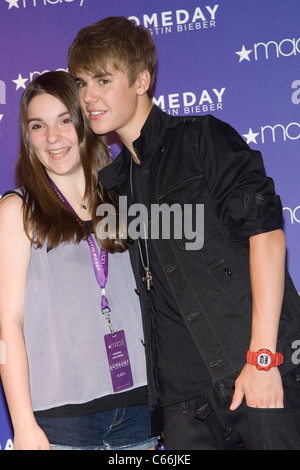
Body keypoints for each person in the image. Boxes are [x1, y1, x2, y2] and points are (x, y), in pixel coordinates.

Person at [67, 17, 300, 450]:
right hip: (181, 405)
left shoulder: (201, 139)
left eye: (102, 79)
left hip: (251, 374)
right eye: (81, 83)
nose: (88, 96)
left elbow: (266, 236)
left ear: (142, 80)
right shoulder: (118, 185)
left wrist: (263, 359)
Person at [0, 71, 158, 451]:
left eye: (64, 120)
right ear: (27, 136)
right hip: (61, 422)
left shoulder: (125, 199)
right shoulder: (17, 210)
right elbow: (7, 323)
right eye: (38, 126)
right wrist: (22, 424)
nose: (52, 137)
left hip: (139, 411)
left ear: (85, 123)